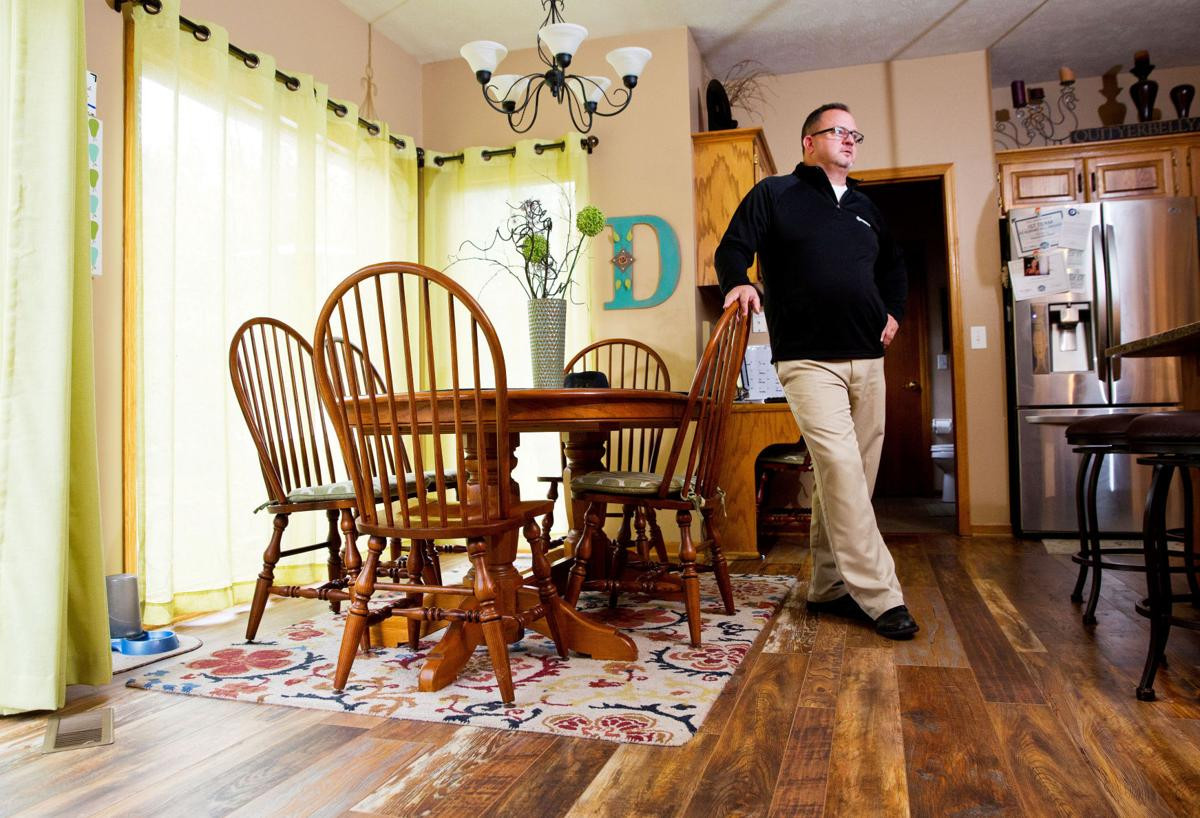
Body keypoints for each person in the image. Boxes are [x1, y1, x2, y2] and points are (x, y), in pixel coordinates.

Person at [715, 102, 918, 639]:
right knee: (843, 470)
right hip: (808, 359)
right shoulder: (775, 194)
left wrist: (893, 313)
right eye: (838, 132)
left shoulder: (865, 207)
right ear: (809, 141)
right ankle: (881, 596)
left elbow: (894, 266)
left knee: (850, 479)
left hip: (868, 359)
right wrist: (737, 279)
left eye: (856, 133)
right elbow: (733, 246)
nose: (850, 140)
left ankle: (828, 588)